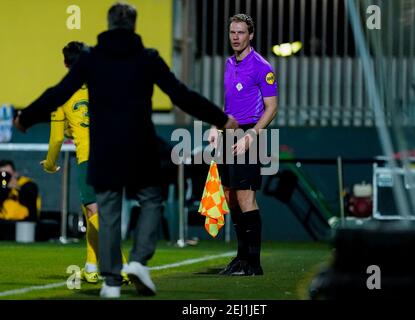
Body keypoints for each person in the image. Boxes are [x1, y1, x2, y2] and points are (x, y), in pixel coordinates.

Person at [14, 2, 237, 298]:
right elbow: (181, 95)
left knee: (107, 212)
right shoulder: (148, 58)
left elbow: (58, 93)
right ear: (134, 25)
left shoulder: (91, 59)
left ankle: (111, 282)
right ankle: (139, 261)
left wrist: (25, 118)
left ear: (108, 25)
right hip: (139, 144)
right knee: (151, 200)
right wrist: (221, 119)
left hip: (103, 148)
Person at [40, 41, 129, 285]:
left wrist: (49, 164)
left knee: (94, 212)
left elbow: (57, 137)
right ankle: (91, 267)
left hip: (89, 158)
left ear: (65, 63)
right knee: (92, 213)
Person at [208, 14, 278, 276]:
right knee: (231, 199)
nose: (235, 37)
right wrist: (217, 127)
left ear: (251, 35)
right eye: (232, 32)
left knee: (246, 197)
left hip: (250, 134)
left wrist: (253, 136)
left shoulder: (262, 67)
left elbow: (272, 109)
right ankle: (240, 258)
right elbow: (228, 105)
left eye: (240, 32)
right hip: (229, 134)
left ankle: (253, 263)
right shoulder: (228, 63)